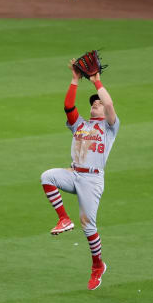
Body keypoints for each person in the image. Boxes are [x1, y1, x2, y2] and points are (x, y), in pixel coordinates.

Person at [40, 59, 120, 290]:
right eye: (93, 103)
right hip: (74, 173)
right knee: (47, 176)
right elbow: (68, 107)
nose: (95, 104)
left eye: (98, 103)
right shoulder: (80, 125)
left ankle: (97, 266)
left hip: (92, 180)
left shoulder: (110, 127)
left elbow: (110, 103)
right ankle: (64, 219)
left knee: (89, 227)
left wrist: (96, 82)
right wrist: (75, 80)